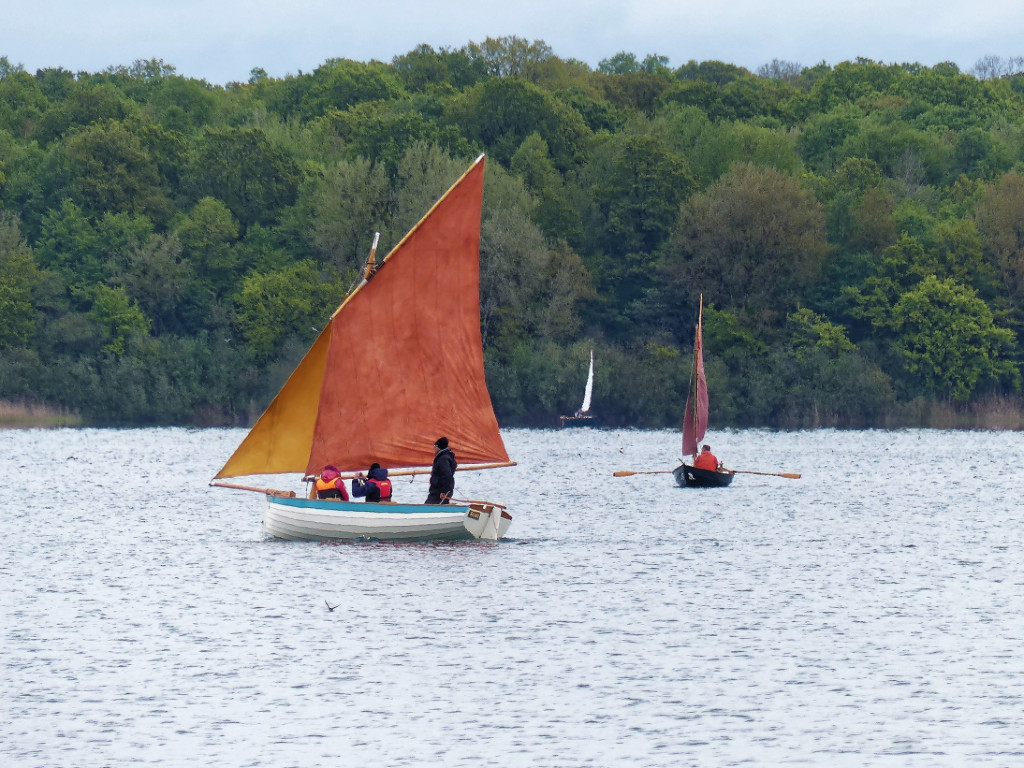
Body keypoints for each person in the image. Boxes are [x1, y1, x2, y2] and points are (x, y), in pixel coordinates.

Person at [425, 436, 456, 504]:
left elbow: (447, 475)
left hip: (439, 491)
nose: (434, 449)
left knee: (429, 506)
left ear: (438, 447)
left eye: (434, 446)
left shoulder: (443, 459)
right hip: (439, 489)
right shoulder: (447, 456)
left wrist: (444, 491)